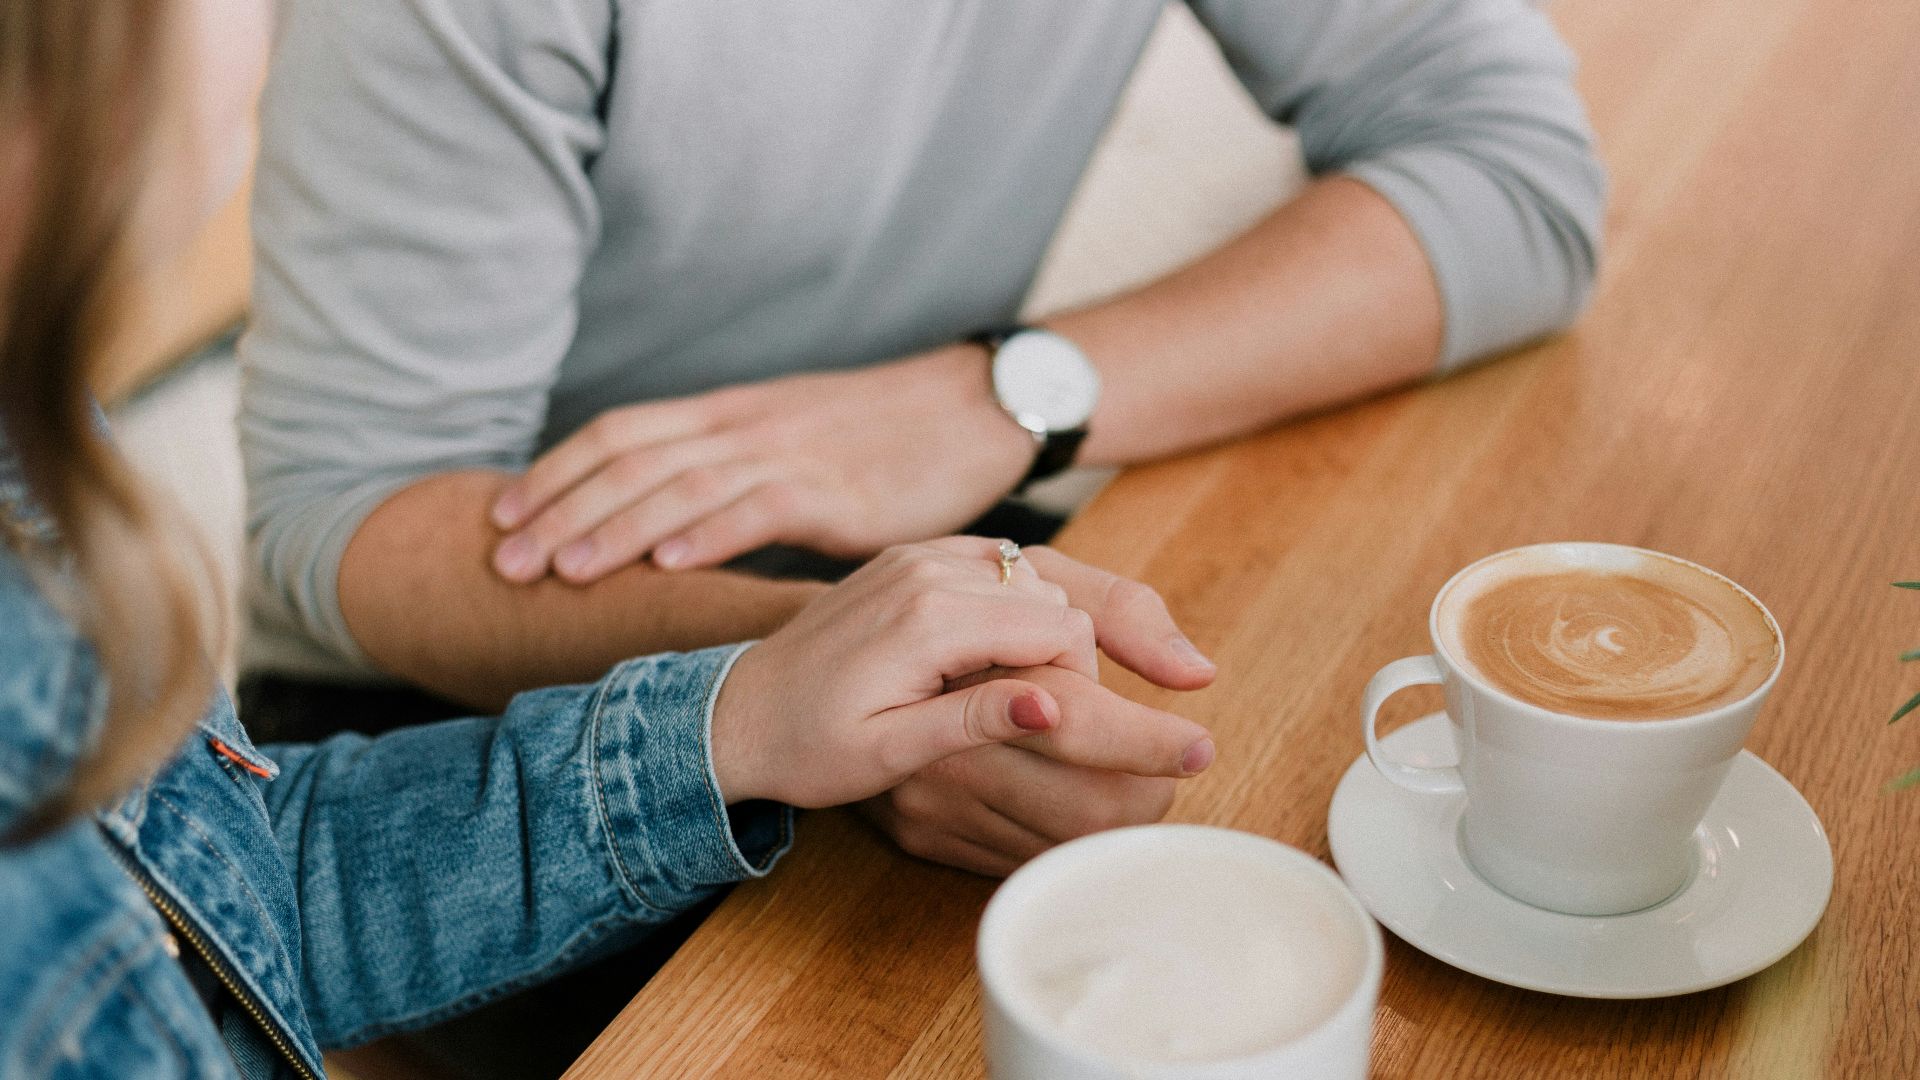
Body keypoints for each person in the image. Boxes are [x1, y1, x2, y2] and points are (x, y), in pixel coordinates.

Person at [0, 2, 1216, 1075]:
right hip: (402, 686)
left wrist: (735, 715)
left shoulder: (33, 445)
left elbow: (230, 908)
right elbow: (344, 515)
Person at [237, 0, 1605, 875]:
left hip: (902, 535)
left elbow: (1513, 174)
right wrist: (815, 675)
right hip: (454, 691)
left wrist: (1002, 395)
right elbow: (345, 519)